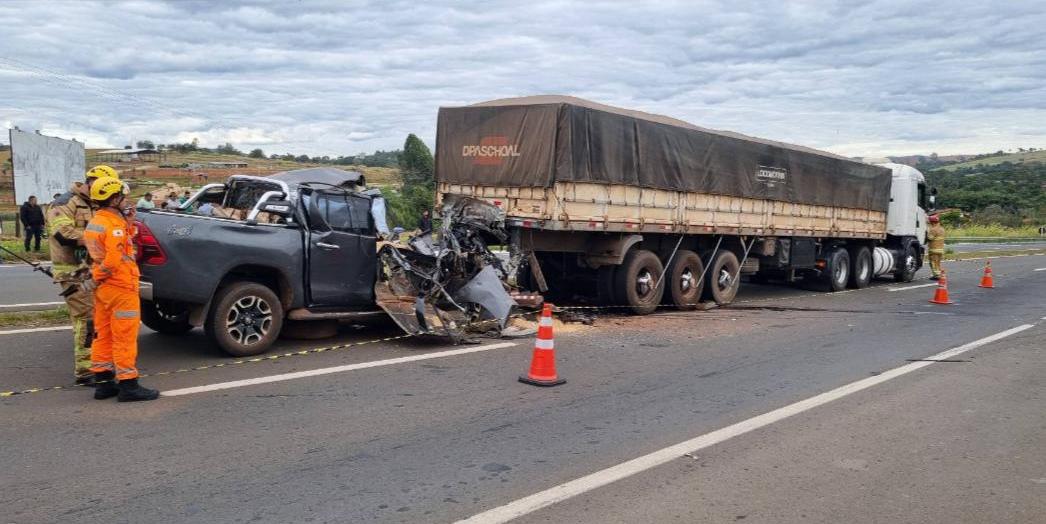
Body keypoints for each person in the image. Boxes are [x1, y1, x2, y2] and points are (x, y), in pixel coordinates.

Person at [83, 175, 159, 402]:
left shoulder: (98, 221)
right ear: (113, 198)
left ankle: (104, 383)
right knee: (124, 337)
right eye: (122, 196)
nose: (125, 200)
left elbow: (116, 245)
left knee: (102, 334)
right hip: (120, 287)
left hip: (105, 290)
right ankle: (128, 385)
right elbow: (113, 260)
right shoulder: (114, 225)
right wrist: (96, 276)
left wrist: (129, 224)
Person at [48, 165, 118, 385]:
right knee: (86, 320)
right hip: (72, 272)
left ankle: (97, 363)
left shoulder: (97, 204)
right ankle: (86, 370)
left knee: (98, 319)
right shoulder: (63, 203)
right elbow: (63, 235)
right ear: (90, 182)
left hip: (93, 271)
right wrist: (98, 238)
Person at [926, 214, 946, 280]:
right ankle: (939, 274)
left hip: (934, 250)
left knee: (933, 263)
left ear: (932, 222)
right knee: (938, 263)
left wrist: (926, 233)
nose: (929, 223)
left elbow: (929, 238)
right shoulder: (942, 229)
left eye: (930, 222)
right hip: (941, 249)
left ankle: (937, 276)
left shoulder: (933, 229)